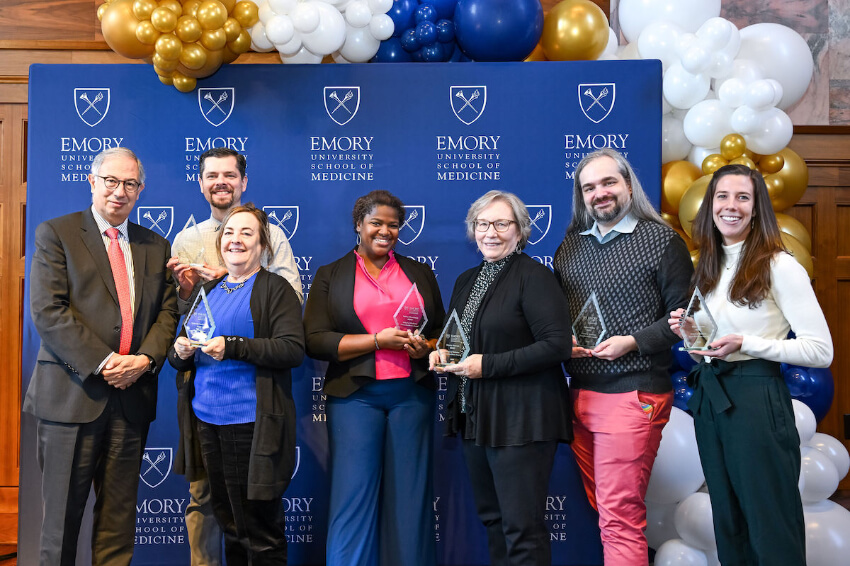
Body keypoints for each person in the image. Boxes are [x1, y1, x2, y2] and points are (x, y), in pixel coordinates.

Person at [668, 164, 833, 565]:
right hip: (713, 399)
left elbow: (820, 350)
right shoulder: (708, 267)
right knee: (730, 523)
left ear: (757, 209)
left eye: (743, 197)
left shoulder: (780, 265)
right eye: (722, 196)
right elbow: (709, 351)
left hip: (758, 399)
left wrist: (748, 343)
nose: (731, 205)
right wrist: (691, 336)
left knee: (769, 523)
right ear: (710, 205)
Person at [23, 147, 179, 565]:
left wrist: (144, 361)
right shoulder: (56, 233)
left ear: (140, 190)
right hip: (70, 398)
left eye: (129, 184)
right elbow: (48, 312)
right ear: (92, 181)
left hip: (131, 402)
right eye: (111, 181)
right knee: (60, 528)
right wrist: (106, 362)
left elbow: (168, 314)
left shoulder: (156, 245)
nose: (119, 191)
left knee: (118, 528)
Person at [552, 148, 692, 566]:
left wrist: (631, 341)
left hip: (633, 393)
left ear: (628, 184)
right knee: (609, 512)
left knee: (619, 517)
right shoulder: (569, 247)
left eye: (608, 182)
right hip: (579, 395)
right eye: (589, 187)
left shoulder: (662, 241)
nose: (600, 193)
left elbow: (686, 319)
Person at [167, 146, 302, 566]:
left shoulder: (273, 288)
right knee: (228, 525)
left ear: (262, 244)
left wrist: (233, 346)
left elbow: (291, 348)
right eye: (229, 234)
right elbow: (182, 348)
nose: (236, 240)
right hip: (207, 422)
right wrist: (180, 351)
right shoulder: (208, 289)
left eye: (246, 234)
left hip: (251, 423)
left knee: (259, 531)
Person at [429, 190, 572, 566]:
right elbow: (460, 338)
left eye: (501, 223)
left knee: (522, 530)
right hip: (476, 419)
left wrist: (488, 365)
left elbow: (556, 346)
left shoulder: (535, 277)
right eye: (482, 224)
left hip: (521, 420)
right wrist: (443, 353)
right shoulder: (466, 279)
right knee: (494, 522)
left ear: (520, 231)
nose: (490, 232)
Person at [303, 190, 445, 566]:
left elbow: (443, 335)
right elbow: (315, 340)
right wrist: (377, 341)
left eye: (393, 225)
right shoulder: (330, 274)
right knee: (352, 498)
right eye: (376, 223)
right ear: (358, 225)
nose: (385, 231)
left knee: (412, 500)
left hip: (412, 395)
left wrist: (424, 348)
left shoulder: (419, 273)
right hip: (355, 398)